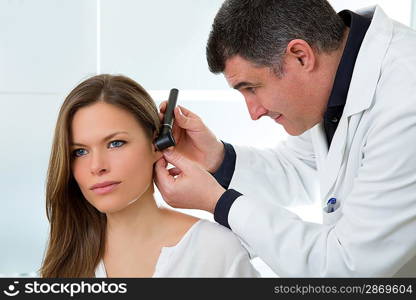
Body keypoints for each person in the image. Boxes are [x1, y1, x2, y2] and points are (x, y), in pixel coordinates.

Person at [154, 0, 416, 277]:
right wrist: (217, 159)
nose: (253, 113)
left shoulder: (405, 103)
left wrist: (221, 203)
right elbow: (300, 166)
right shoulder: (340, 73)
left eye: (252, 88)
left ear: (301, 56)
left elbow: (346, 267)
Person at [40, 74, 258, 277]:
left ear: (156, 144)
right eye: (80, 151)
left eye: (116, 143)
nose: (97, 166)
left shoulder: (214, 249)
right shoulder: (68, 255)